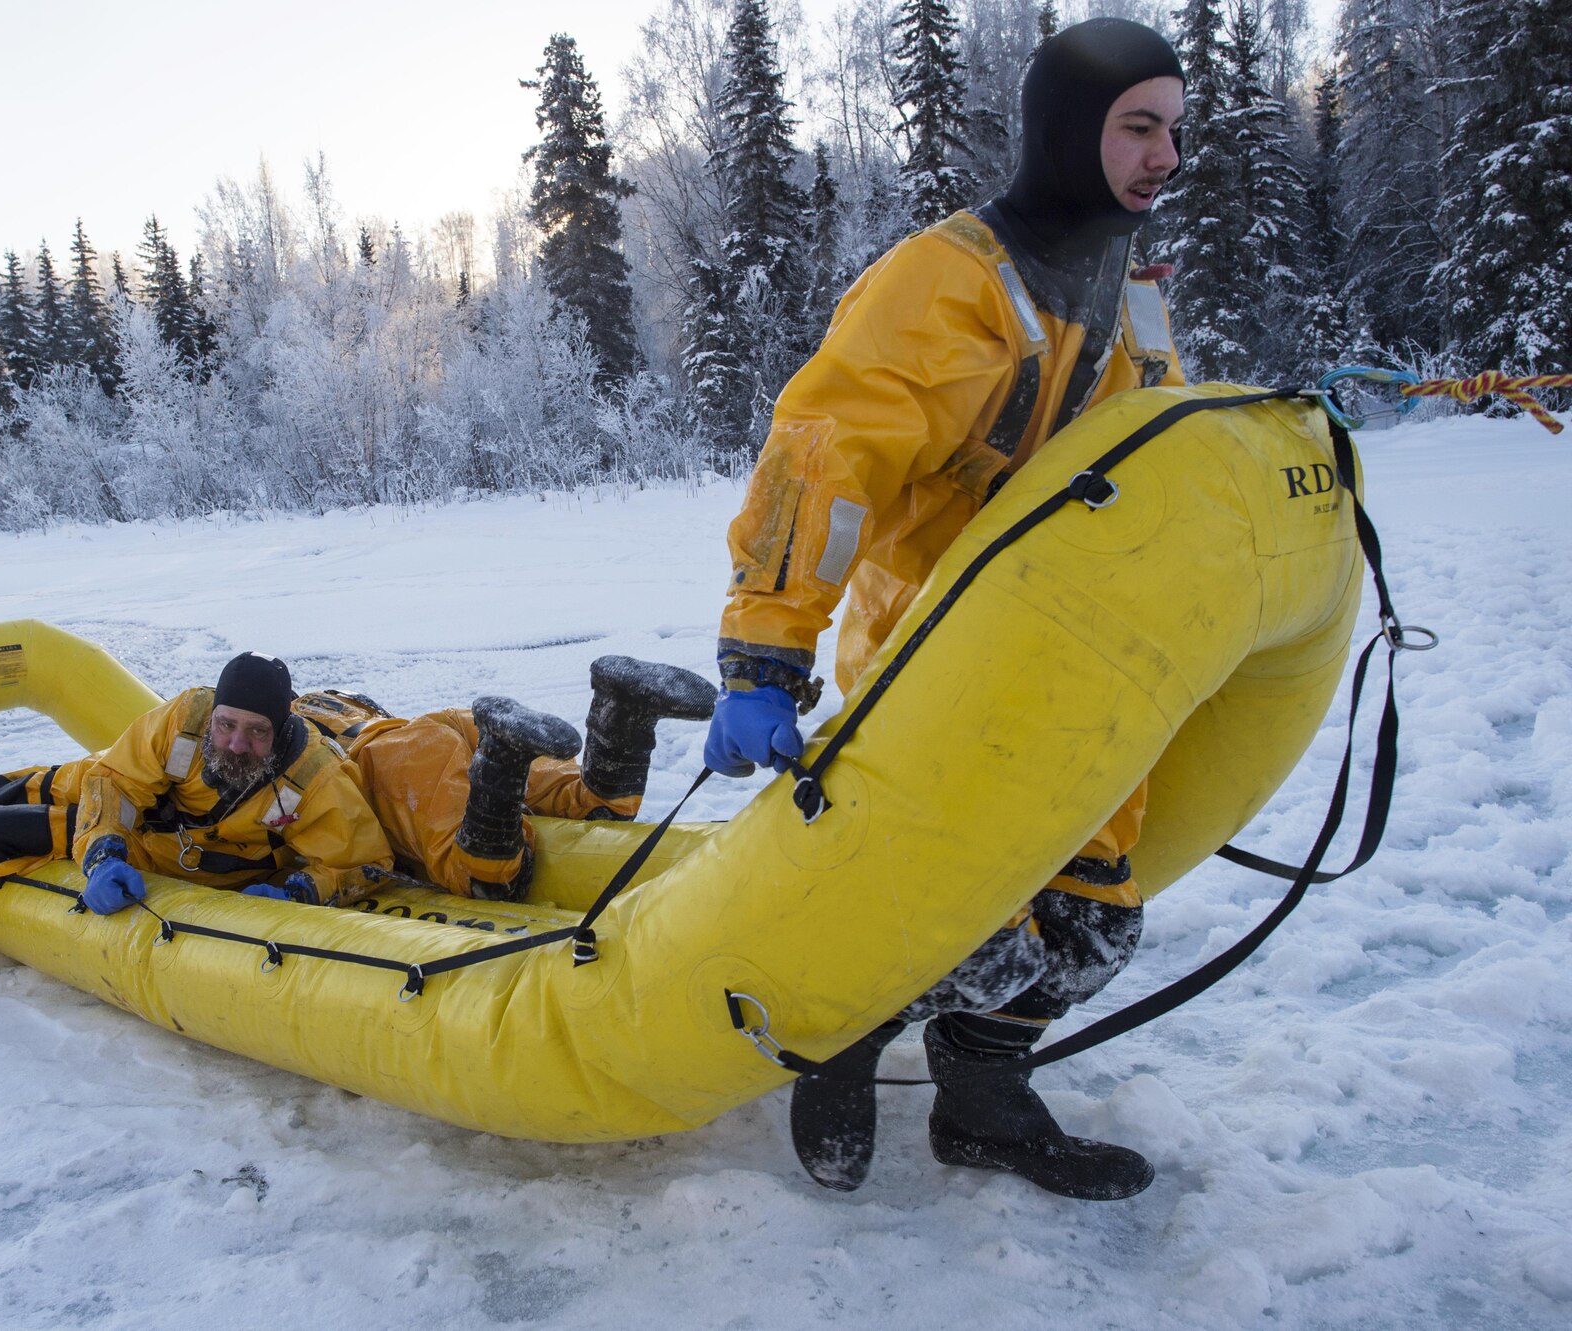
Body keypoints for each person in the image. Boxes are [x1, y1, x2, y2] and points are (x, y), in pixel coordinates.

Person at [701, 18, 1188, 1201]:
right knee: (974, 934)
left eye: (1172, 130)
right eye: (1137, 126)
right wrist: (763, 650)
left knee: (1088, 928)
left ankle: (981, 1106)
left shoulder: (1135, 294)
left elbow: (1170, 453)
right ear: (1070, 132)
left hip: (1080, 662)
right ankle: (841, 1033)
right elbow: (825, 459)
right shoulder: (947, 282)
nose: (1163, 155)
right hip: (935, 654)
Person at [0, 652, 394, 967]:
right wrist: (103, 851)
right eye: (228, 725)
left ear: (278, 730)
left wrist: (299, 895)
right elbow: (116, 781)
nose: (234, 742)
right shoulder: (188, 717)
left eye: (254, 733)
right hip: (139, 826)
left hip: (200, 856)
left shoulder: (314, 777)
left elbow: (363, 862)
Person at [296, 655, 716, 900]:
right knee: (587, 805)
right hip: (448, 724)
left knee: (478, 873)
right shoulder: (327, 699)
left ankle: (501, 758)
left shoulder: (276, 724)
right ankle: (622, 711)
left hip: (389, 756)